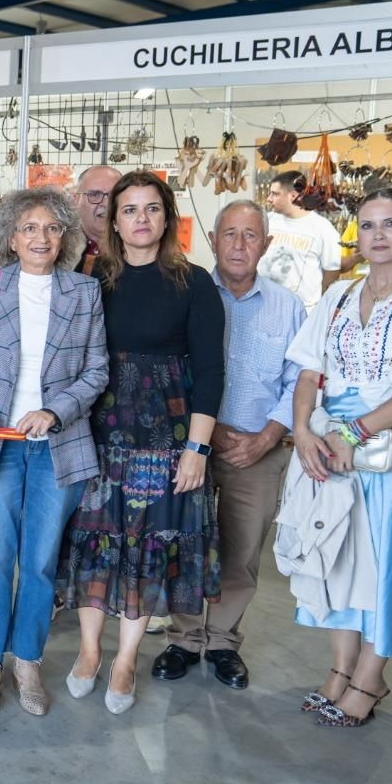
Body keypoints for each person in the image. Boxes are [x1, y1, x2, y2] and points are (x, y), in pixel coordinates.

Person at [287, 187, 392, 727]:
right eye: (366, 226)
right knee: (335, 552)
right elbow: (310, 371)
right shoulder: (340, 295)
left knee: (388, 559)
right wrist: (301, 432)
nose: (377, 235)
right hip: (331, 439)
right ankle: (340, 669)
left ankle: (370, 676)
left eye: (390, 224)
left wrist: (353, 433)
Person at [60, 169, 224, 715]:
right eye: (128, 210)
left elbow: (211, 370)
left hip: (166, 434)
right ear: (113, 219)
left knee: (145, 549)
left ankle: (126, 660)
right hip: (98, 431)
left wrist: (197, 449)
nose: (140, 219)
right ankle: (88, 651)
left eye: (151, 209)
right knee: (94, 539)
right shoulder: (92, 278)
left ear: (167, 216)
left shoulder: (194, 282)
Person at [0, 187, 107, 717]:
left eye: (52, 229)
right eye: (29, 228)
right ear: (11, 238)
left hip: (57, 446)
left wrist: (56, 410)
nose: (41, 237)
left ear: (64, 237)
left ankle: (29, 660)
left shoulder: (84, 292)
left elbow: (96, 371)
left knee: (38, 564)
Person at [156, 200, 305, 691]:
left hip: (258, 450)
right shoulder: (188, 293)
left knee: (241, 550)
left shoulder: (288, 306)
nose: (239, 245)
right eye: (230, 234)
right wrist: (209, 431)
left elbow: (300, 380)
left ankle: (221, 642)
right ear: (212, 239)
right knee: (183, 543)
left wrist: (267, 436)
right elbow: (176, 366)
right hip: (192, 443)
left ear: (266, 243)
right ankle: (183, 638)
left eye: (250, 235)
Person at [260, 169, 342, 309]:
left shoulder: (323, 229)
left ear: (292, 195)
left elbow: (332, 271)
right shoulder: (266, 220)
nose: (269, 199)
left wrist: (319, 307)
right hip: (263, 306)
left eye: (275, 194)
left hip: (302, 312)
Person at [72, 164, 122, 276]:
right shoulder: (59, 246)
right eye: (94, 195)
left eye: (113, 195)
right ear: (76, 200)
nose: (106, 203)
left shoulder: (137, 247)